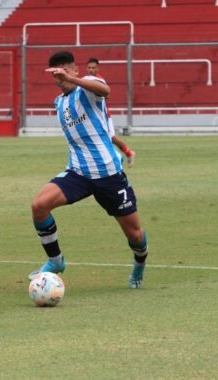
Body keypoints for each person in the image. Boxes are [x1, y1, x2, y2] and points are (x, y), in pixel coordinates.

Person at [28, 51, 149, 289]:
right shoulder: (59, 102)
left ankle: (139, 264)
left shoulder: (90, 90)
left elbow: (105, 91)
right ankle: (56, 262)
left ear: (75, 70)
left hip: (109, 175)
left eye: (66, 71)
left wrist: (72, 80)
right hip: (78, 173)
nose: (61, 76)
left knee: (134, 235)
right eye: (57, 73)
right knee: (39, 206)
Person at [85, 57, 135, 167]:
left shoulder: (99, 80)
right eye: (89, 68)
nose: (91, 70)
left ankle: (125, 154)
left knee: (110, 137)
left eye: (93, 68)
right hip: (94, 115)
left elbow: (107, 95)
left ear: (98, 69)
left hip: (104, 115)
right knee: (105, 137)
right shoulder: (85, 80)